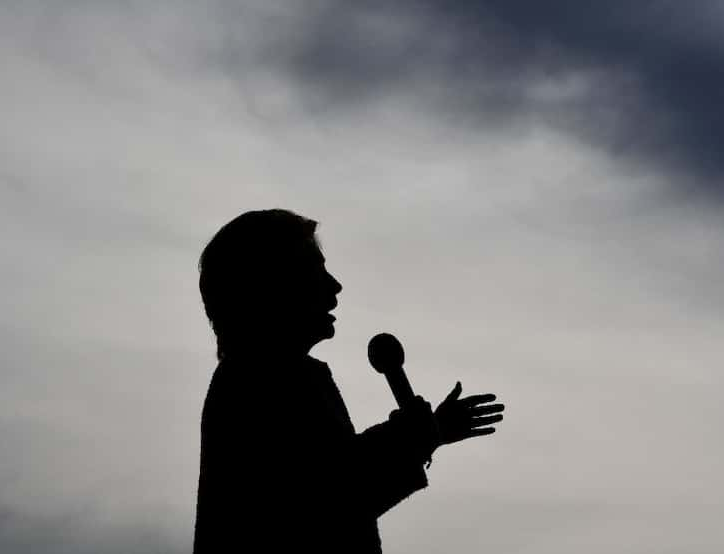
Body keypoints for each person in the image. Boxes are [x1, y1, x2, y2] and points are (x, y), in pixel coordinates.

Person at [192, 209, 504, 553]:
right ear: (271, 283)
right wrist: (417, 436)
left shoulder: (265, 378)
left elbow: (333, 486)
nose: (334, 285)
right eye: (313, 269)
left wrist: (428, 431)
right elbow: (324, 499)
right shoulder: (258, 383)